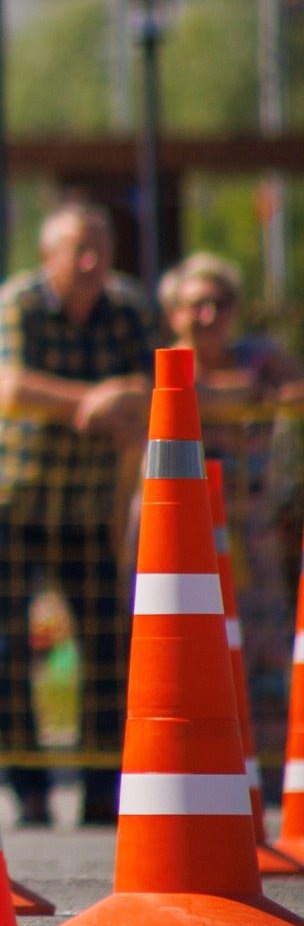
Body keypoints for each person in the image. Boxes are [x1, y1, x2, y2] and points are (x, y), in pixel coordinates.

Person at [0, 202, 153, 827]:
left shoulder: (127, 310)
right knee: (9, 645)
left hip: (86, 506)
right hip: (7, 498)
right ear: (50, 256)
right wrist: (97, 400)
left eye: (102, 246)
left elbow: (154, 386)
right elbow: (11, 384)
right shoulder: (17, 302)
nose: (93, 261)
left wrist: (120, 398)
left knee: (106, 643)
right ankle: (29, 789)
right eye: (79, 248)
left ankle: (101, 789)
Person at [158, 250, 300, 712]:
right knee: (187, 642)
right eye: (198, 304)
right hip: (185, 530)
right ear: (174, 312)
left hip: (248, 526)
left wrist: (263, 387)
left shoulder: (256, 355)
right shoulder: (163, 363)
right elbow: (156, 395)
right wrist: (242, 392)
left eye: (221, 303)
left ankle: (268, 761)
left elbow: (294, 381)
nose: (209, 315)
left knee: (264, 646)